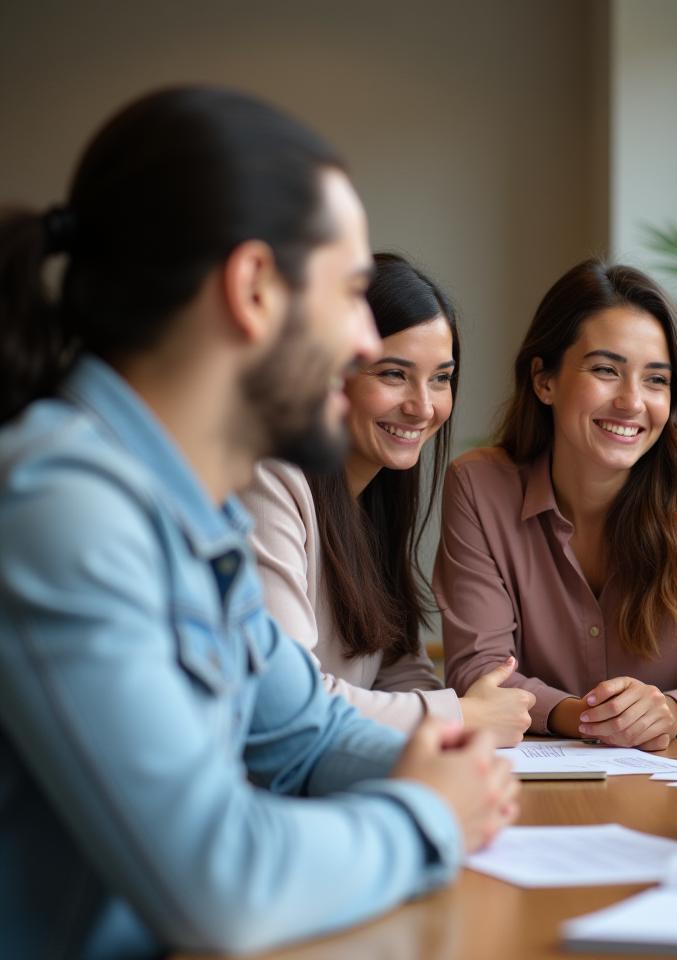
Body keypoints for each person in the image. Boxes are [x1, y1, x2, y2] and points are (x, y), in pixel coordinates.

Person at [0, 87, 517, 958]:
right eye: (352, 293)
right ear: (252, 290)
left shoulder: (190, 514)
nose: (365, 342)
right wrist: (427, 813)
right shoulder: (62, 507)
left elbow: (301, 735)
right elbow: (217, 883)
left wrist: (441, 755)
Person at [436, 259, 677, 750]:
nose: (632, 401)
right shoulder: (478, 488)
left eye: (656, 380)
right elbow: (479, 671)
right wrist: (589, 717)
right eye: (605, 370)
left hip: (673, 775)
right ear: (544, 380)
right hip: (531, 784)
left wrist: (673, 710)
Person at [242, 253, 534, 745]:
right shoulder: (272, 478)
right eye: (393, 374)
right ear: (332, 374)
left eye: (441, 378)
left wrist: (465, 715)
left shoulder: (376, 495)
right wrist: (458, 716)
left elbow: (399, 670)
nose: (423, 406)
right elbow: (287, 700)